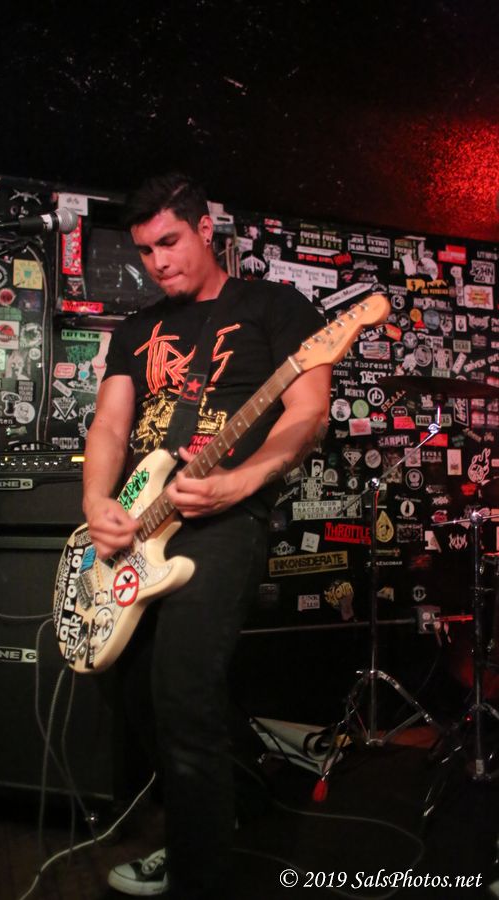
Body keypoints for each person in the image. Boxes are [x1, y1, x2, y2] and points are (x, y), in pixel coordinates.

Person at [82, 173, 331, 899]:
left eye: (170, 242)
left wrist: (240, 480)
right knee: (135, 691)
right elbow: (111, 425)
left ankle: (199, 876)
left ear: (204, 229)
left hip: (223, 521)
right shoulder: (137, 330)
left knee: (184, 688)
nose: (158, 262)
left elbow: (307, 414)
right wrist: (97, 500)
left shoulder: (274, 307)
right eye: (144, 250)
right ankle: (231, 810)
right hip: (142, 525)